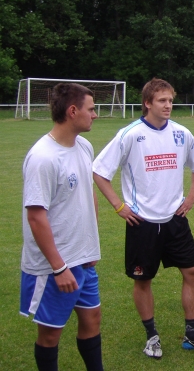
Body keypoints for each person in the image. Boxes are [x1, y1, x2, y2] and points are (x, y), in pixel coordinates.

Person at [93, 78, 194, 359]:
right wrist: (119, 206)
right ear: (147, 103)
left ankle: (192, 336)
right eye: (162, 100)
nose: (168, 105)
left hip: (175, 219)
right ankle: (151, 337)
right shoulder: (130, 134)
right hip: (142, 222)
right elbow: (100, 172)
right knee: (143, 280)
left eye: (170, 101)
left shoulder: (181, 133)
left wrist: (191, 197)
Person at [20, 83, 103, 370]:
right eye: (91, 109)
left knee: (92, 319)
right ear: (73, 111)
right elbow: (36, 217)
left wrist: (90, 245)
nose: (95, 115)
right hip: (54, 266)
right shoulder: (43, 157)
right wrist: (59, 268)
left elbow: (88, 192)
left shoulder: (84, 146)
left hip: (83, 258)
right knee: (50, 333)